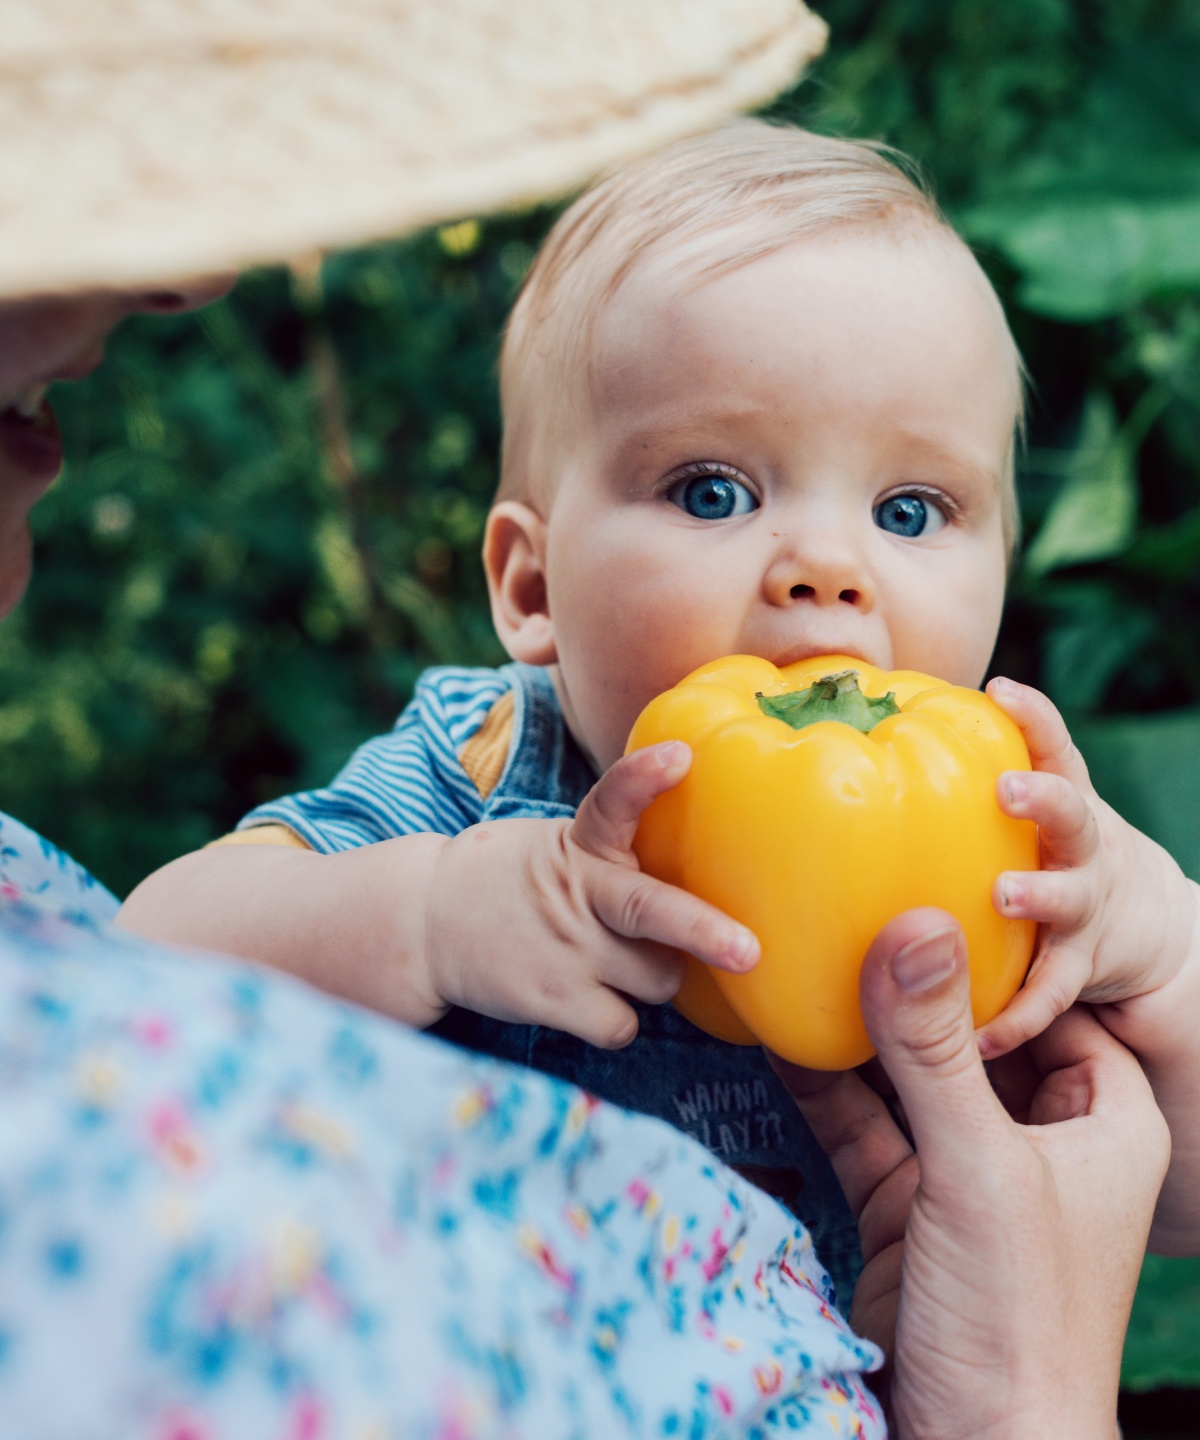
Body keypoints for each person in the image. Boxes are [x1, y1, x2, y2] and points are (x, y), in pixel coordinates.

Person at [0, 3, 1174, 1433]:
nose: (825, 568)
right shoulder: (498, 778)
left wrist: (1154, 943)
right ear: (532, 585)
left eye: (911, 509)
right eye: (712, 492)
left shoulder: (1002, 818)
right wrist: (432, 916)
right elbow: (147, 967)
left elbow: (1165, 1197)